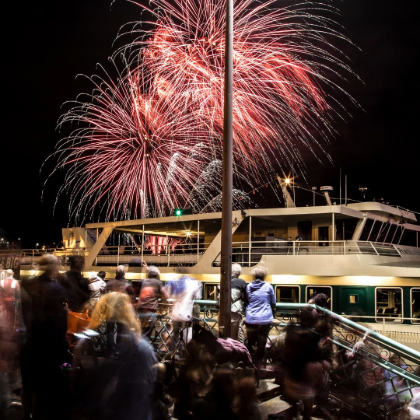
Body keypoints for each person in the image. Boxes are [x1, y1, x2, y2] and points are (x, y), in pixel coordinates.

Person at [71, 292, 157, 420]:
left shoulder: (85, 345)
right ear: (129, 314)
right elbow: (149, 385)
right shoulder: (142, 346)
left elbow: (74, 382)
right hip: (132, 414)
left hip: (94, 413)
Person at [20, 254, 71, 420]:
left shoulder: (27, 284)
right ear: (54, 268)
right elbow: (56, 324)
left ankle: (25, 414)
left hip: (28, 342)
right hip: (47, 347)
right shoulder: (56, 290)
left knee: (27, 385)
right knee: (44, 389)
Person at [245, 265, 275, 369]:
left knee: (251, 343)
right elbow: (273, 302)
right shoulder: (268, 286)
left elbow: (249, 299)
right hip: (264, 319)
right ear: (264, 276)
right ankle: (259, 367)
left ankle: (250, 365)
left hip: (251, 318)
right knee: (261, 345)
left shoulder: (249, 286)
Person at [165, 270, 202, 352]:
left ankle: (171, 355)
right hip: (186, 315)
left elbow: (168, 293)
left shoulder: (175, 282)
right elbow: (198, 297)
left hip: (175, 314)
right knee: (186, 338)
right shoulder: (193, 283)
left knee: (175, 335)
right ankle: (184, 355)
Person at [105, 265, 136, 356]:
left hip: (110, 309)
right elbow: (133, 297)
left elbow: (104, 294)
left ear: (116, 273)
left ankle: (111, 351)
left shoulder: (110, 283)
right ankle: (118, 350)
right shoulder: (127, 284)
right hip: (122, 310)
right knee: (120, 330)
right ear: (124, 273)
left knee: (110, 331)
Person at [137, 266, 168, 338]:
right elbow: (166, 295)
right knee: (147, 333)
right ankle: (144, 348)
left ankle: (140, 346)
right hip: (150, 310)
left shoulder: (144, 281)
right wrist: (166, 306)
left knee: (142, 331)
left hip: (140, 310)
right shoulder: (157, 282)